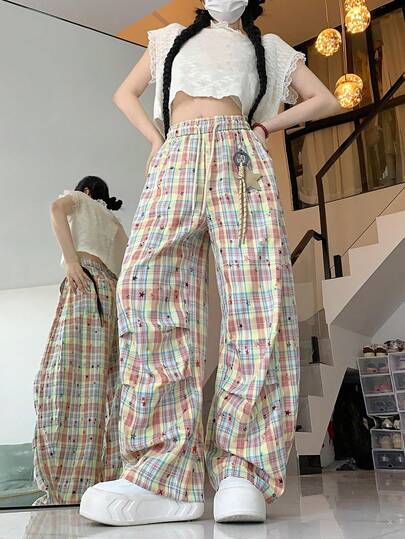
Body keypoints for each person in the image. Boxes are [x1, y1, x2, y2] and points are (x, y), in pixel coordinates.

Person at [80, 0, 342, 525]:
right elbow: (124, 93)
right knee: (145, 288)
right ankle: (161, 473)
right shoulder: (169, 38)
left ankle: (242, 469)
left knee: (257, 297)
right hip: (176, 154)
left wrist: (265, 128)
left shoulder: (267, 48)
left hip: (240, 155)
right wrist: (157, 139)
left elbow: (325, 98)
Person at [32, 176, 128, 505]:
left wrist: (71, 260)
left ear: (86, 191)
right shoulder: (114, 222)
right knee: (107, 386)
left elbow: (55, 208)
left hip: (85, 285)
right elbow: (128, 265)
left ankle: (67, 483)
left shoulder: (80, 200)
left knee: (65, 379)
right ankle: (106, 481)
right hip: (112, 295)